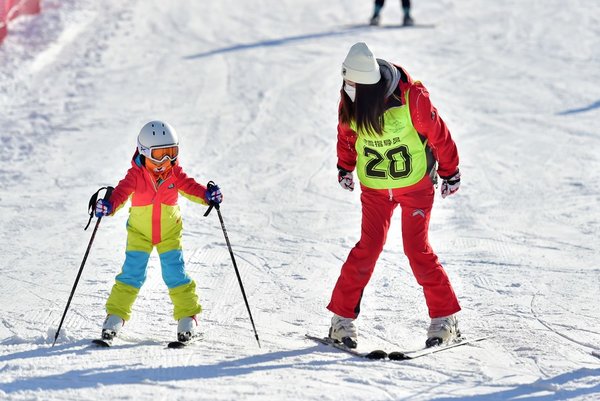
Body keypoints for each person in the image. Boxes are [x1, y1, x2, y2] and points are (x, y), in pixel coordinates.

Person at [327, 42, 462, 349]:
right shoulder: (350, 100)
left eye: (351, 83)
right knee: (368, 248)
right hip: (375, 189)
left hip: (415, 186)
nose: (346, 88)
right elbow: (346, 136)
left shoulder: (410, 97)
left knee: (417, 250)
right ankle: (341, 320)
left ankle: (445, 318)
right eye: (344, 81)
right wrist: (344, 166)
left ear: (368, 83)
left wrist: (450, 170)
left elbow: (438, 133)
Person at [94, 120, 223, 344]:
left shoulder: (174, 174)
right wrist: (108, 206)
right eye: (160, 153)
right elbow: (120, 194)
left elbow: (192, 187)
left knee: (174, 274)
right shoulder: (135, 176)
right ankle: (114, 317)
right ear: (144, 152)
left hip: (169, 233)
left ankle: (187, 317)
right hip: (139, 234)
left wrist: (208, 195)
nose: (166, 160)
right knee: (132, 274)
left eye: (171, 152)